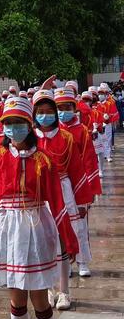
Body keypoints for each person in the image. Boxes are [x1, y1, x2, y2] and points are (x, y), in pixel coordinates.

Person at [0, 98, 78, 319]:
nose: (13, 127)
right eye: (8, 122)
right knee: (16, 295)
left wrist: (68, 240)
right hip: (8, 227)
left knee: (39, 297)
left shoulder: (43, 159)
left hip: (37, 225)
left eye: (18, 122)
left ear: (29, 124)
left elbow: (58, 203)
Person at [32, 89, 93, 311]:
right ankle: (49, 289)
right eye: (40, 112)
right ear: (34, 114)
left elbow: (77, 171)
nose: (45, 116)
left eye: (50, 111)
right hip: (38, 195)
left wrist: (82, 202)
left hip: (64, 192)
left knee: (62, 241)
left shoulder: (66, 137)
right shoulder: (29, 138)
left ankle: (65, 291)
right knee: (42, 243)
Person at [55, 88, 100, 278]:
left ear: (74, 109)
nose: (63, 111)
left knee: (80, 226)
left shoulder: (82, 131)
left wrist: (87, 196)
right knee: (58, 226)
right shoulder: (51, 131)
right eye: (59, 107)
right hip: (57, 187)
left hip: (78, 185)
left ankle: (82, 261)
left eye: (67, 107)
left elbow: (90, 161)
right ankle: (65, 263)